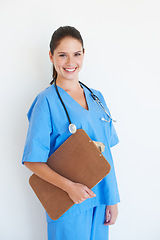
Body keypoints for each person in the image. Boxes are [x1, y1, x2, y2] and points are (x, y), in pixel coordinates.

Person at [22, 26, 120, 240]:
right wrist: (70, 188)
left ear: (83, 54)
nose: (70, 62)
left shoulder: (97, 98)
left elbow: (106, 154)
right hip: (69, 203)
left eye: (76, 54)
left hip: (100, 199)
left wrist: (112, 198)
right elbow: (32, 161)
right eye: (62, 55)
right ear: (51, 56)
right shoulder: (46, 101)